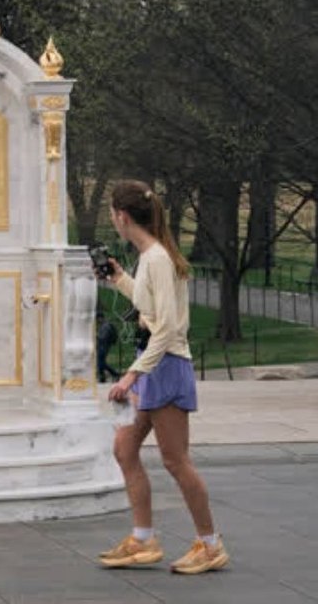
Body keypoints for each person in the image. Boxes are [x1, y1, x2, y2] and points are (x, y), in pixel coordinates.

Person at [97, 180, 229, 575]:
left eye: (111, 214)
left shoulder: (156, 258)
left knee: (176, 460)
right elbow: (150, 306)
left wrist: (130, 377)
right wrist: (119, 279)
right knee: (125, 448)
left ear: (122, 217)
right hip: (155, 365)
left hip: (165, 367)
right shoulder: (151, 257)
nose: (112, 220)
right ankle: (143, 539)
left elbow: (168, 329)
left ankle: (210, 545)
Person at [95, 305, 120, 383]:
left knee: (101, 363)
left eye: (97, 319)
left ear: (100, 318)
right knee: (100, 363)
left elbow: (103, 337)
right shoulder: (104, 325)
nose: (97, 321)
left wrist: (96, 335)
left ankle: (115, 374)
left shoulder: (106, 326)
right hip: (102, 346)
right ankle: (102, 378)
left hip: (103, 347)